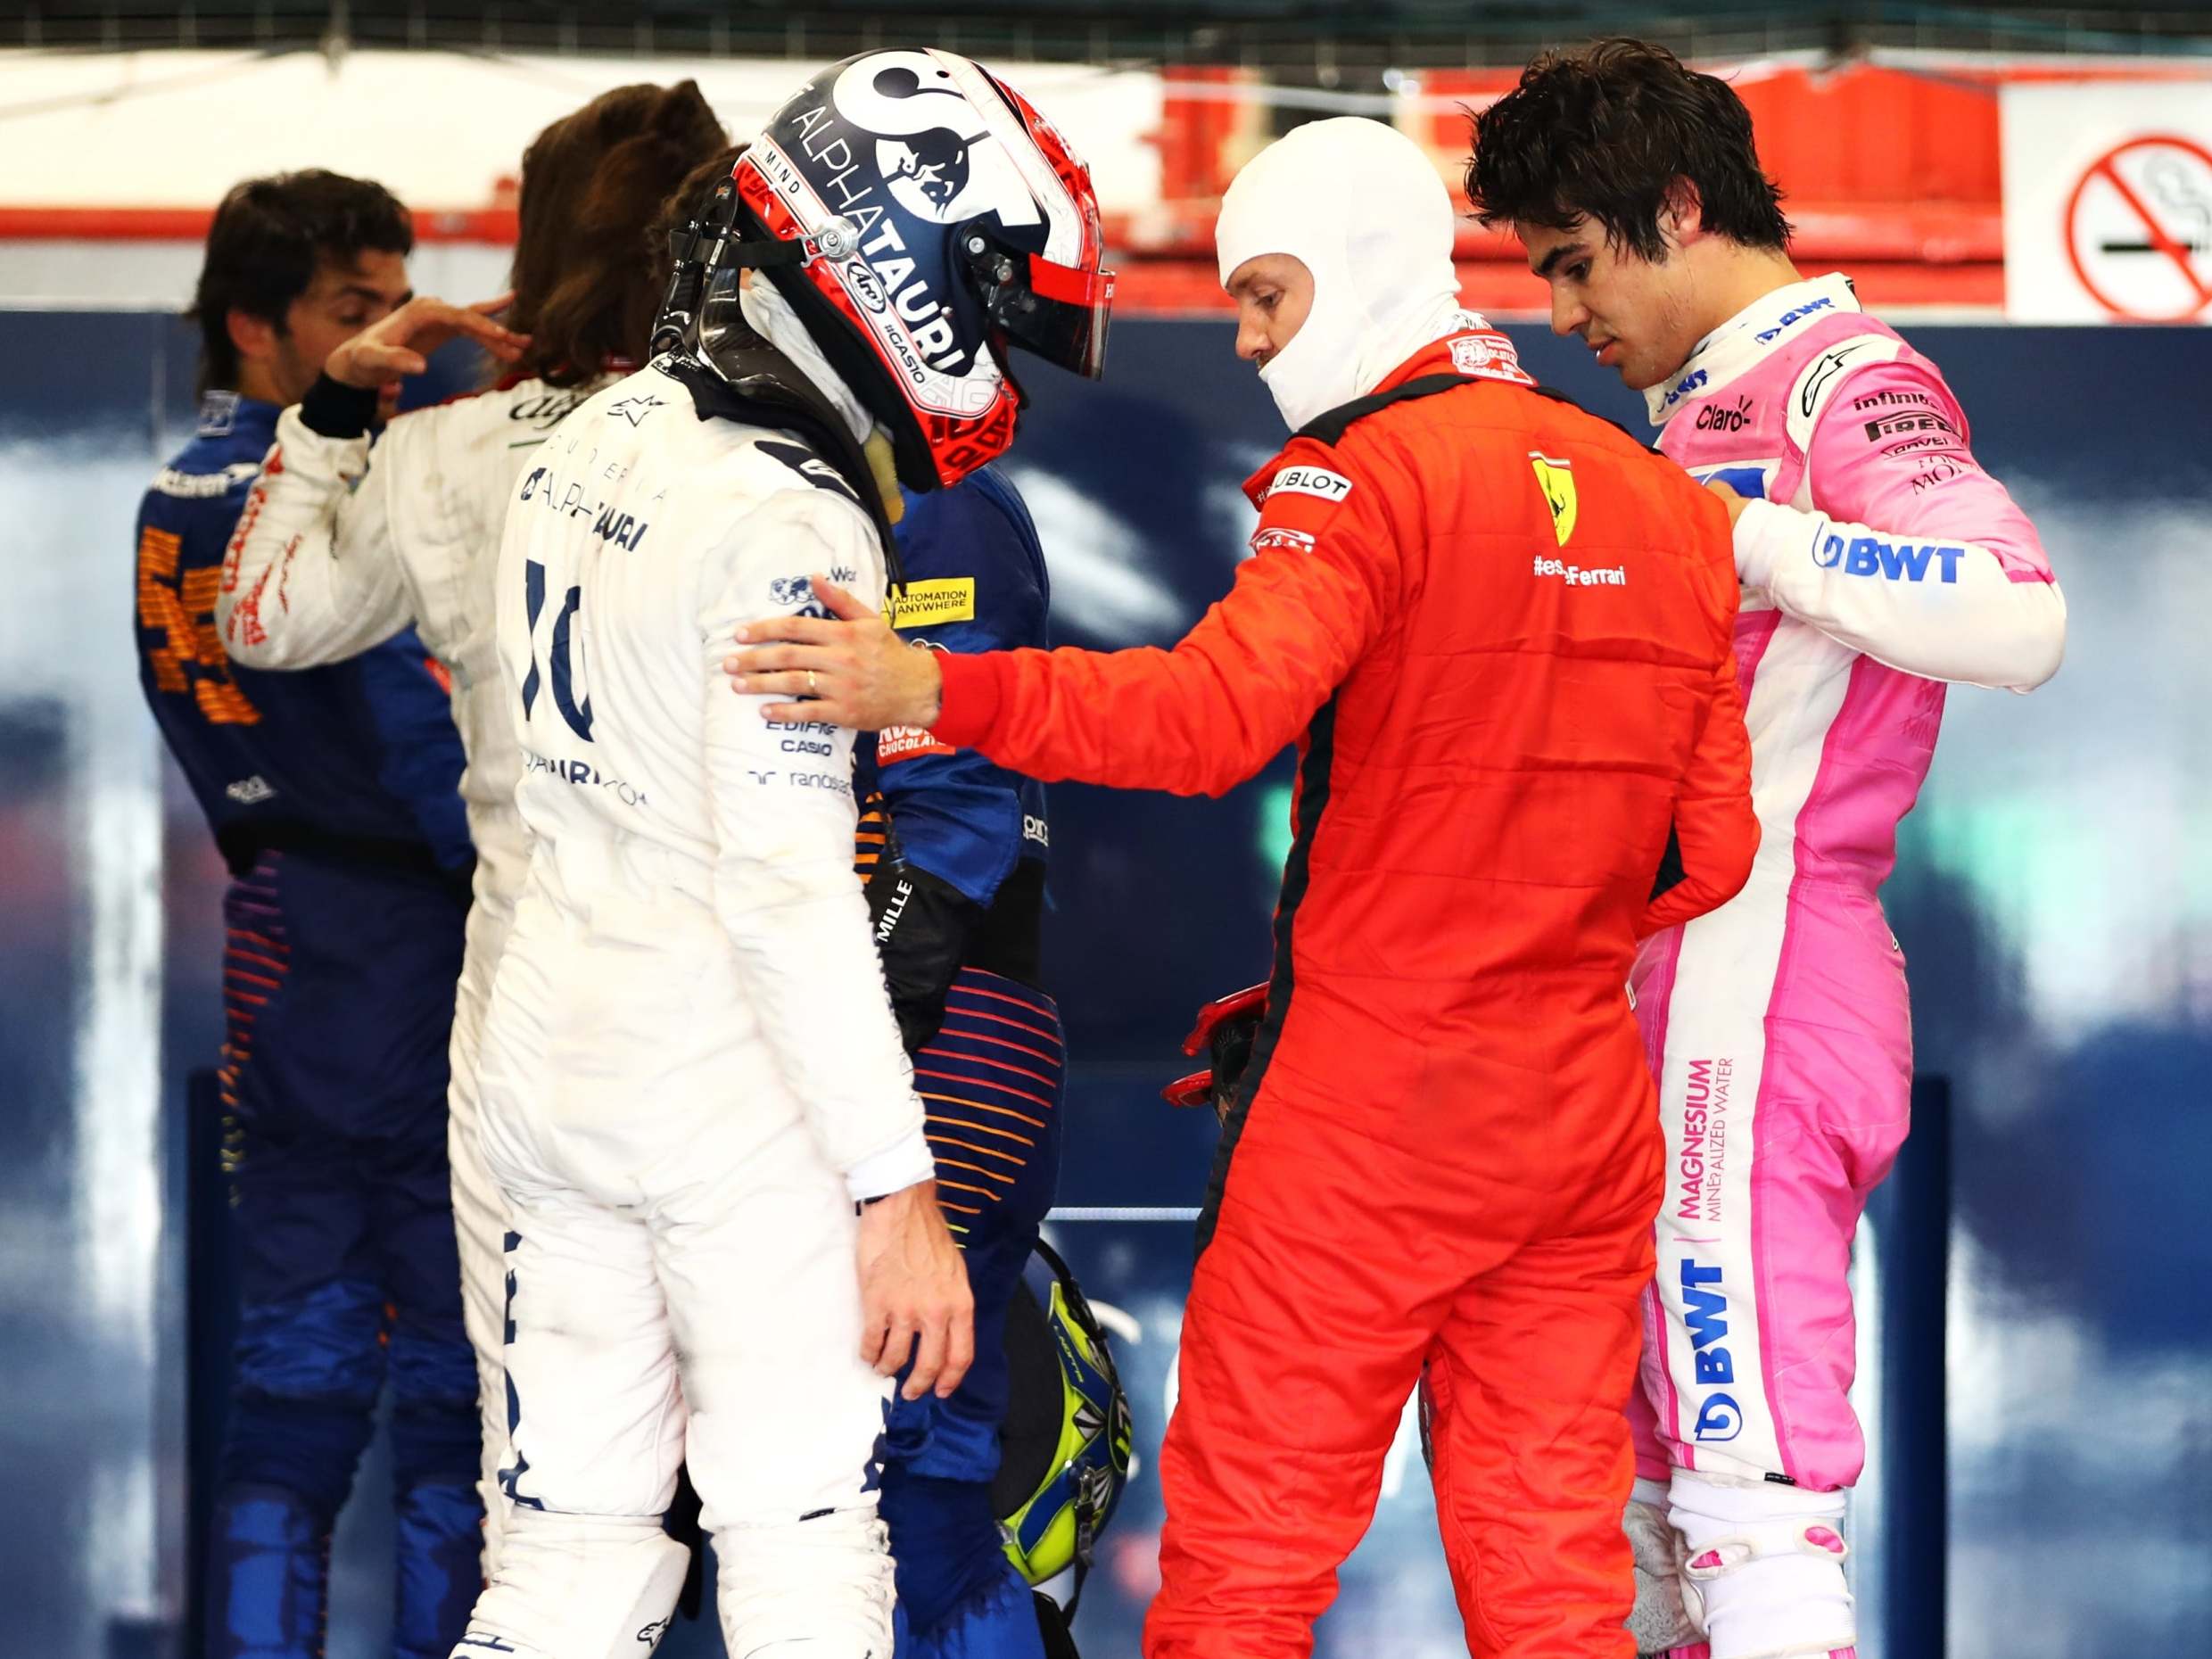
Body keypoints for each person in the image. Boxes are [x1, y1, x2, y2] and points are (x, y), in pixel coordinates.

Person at [726, 115, 1760, 1659]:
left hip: (1364, 1123)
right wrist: (1507, 934)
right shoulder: (1667, 500)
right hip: (1577, 1124)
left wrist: (928, 689)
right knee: (1557, 1594)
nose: (1253, 338)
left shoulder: (1358, 477)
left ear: (1359, 273)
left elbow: (1208, 722)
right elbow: (1711, 849)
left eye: (1267, 295)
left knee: (1243, 1586)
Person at [445, 49, 1113, 1659]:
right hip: (722, 1081)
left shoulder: (587, 440)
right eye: (995, 293)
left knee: (562, 1565)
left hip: (538, 1046)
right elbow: (784, 886)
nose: (999, 339)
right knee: (810, 1551)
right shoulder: (792, 516)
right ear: (906, 259)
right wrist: (896, 1193)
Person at [1465, 39, 2067, 1659]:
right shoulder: (1689, 414)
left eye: (1576, 264)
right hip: (1667, 988)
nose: (1560, 314)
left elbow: (2021, 617)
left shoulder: (1840, 383)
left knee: (1747, 1477)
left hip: (1767, 972)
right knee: (1659, 1488)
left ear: (1675, 208)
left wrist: (1743, 535)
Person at [215, 82, 730, 1578]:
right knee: (784, 1480)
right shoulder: (759, 445)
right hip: (731, 998)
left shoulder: (440, 452)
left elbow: (265, 618)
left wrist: (333, 406)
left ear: (537, 244)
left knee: (549, 1473)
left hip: (527, 1003)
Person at [136, 169, 481, 1659]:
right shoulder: (329, 509)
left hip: (275, 954)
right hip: (418, 964)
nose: (391, 344)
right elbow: (434, 762)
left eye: (398, 308)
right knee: (461, 1417)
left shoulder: (168, 503)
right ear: (254, 326)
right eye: (355, 312)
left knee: (287, 1403)